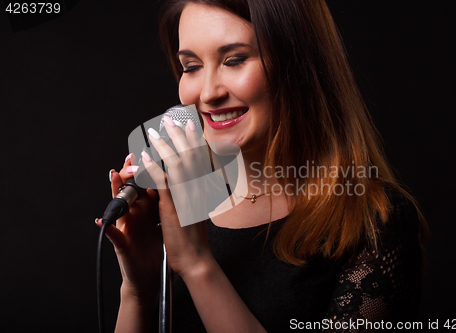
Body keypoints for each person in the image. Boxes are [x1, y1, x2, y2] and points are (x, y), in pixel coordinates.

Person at [96, 0, 428, 331]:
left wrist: (197, 265)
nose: (208, 93)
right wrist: (138, 291)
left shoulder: (376, 222)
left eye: (234, 60)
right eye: (191, 66)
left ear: (297, 62)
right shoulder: (176, 200)